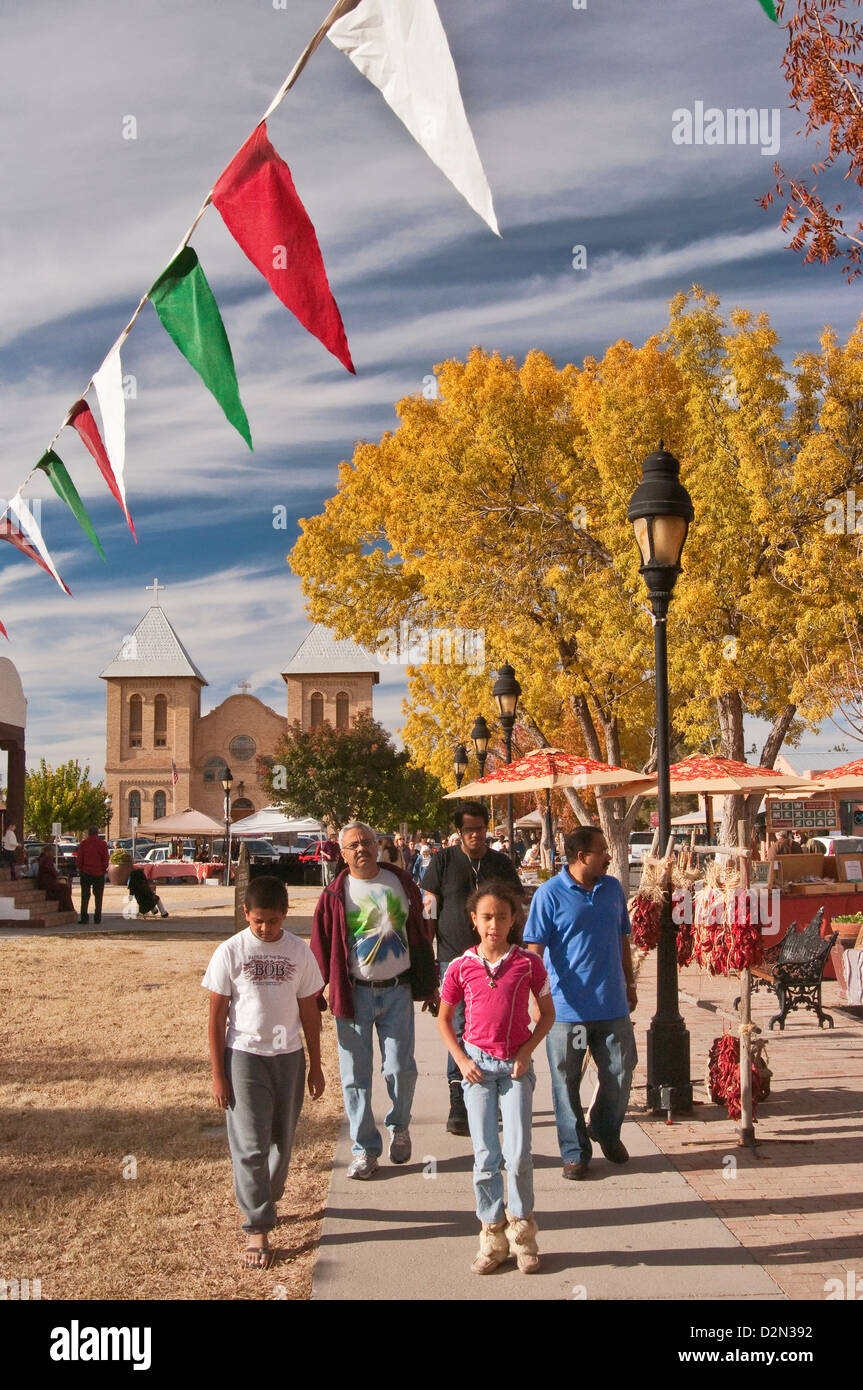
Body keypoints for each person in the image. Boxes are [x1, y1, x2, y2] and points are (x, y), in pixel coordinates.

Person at [203, 875, 325, 1269]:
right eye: (258, 921)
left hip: (287, 1057)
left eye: (273, 921)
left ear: (285, 915)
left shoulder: (299, 953)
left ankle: (268, 1196)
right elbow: (216, 1015)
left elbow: (310, 1011)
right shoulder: (230, 952)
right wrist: (219, 1074)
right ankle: (257, 1226)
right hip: (244, 1057)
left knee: (281, 1143)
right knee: (250, 1145)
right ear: (245, 914)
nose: (266, 928)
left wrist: (316, 1065)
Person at [437, 880, 555, 1274]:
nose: (494, 925)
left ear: (513, 920)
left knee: (519, 1153)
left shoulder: (527, 964)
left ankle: (523, 1233)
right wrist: (461, 1060)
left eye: (502, 917)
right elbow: (444, 1020)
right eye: (486, 917)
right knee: (486, 1155)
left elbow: (547, 1014)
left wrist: (526, 1052)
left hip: (515, 1069)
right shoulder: (461, 967)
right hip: (477, 1069)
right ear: (474, 920)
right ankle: (492, 1234)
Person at [310, 821, 437, 1179]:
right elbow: (321, 946)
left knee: (401, 1069)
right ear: (343, 853)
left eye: (367, 841)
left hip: (397, 991)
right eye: (353, 845)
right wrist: (315, 992)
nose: (362, 848)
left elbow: (422, 930)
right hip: (354, 995)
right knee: (355, 1077)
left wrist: (428, 981)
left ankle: (399, 1125)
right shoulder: (335, 894)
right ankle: (365, 1150)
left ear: (378, 845)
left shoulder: (401, 883)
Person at [523, 826, 637, 1181]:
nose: (607, 855)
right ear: (581, 856)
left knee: (620, 1070)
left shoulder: (612, 888)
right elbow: (534, 953)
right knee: (565, 1081)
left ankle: (604, 1128)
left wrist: (629, 983)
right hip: (566, 1011)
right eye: (602, 850)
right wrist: (534, 999)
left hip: (612, 1005)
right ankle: (574, 1152)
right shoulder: (549, 894)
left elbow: (623, 940)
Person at [422, 800, 525, 1137]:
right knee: (460, 1026)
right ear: (459, 831)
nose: (476, 835)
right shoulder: (443, 861)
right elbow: (428, 909)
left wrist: (518, 949)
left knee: (491, 1026)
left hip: (497, 960)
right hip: (453, 957)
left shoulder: (500, 864)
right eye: (469, 829)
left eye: (480, 828)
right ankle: (459, 1101)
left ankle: (489, 1093)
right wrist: (428, 955)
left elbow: (516, 907)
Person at [76, 825, 109, 925]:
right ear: (97, 833)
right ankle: (97, 918)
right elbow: (105, 859)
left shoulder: (84, 844)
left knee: (85, 896)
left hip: (86, 872)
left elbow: (79, 859)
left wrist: (81, 869)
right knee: (98, 897)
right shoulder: (102, 844)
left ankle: (84, 917)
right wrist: (103, 869)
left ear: (89, 833)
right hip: (98, 873)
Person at [36, 841, 74, 913]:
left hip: (46, 881)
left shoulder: (43, 859)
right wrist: (58, 874)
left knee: (64, 887)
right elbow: (52, 871)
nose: (54, 854)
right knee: (64, 887)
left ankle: (64, 907)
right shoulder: (46, 860)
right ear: (48, 852)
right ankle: (66, 907)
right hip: (46, 882)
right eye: (53, 852)